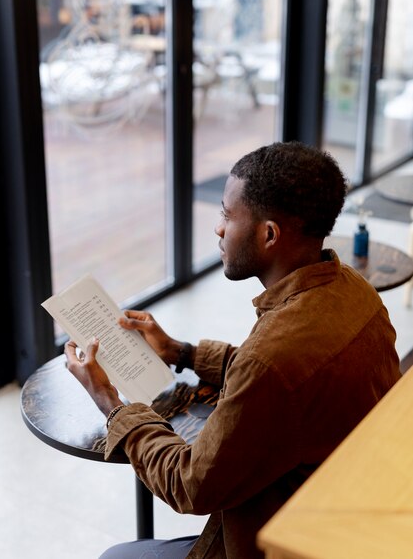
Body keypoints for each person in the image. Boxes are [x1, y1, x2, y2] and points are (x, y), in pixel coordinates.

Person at [64, 141, 401, 559]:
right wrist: (181, 352)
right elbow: (288, 378)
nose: (218, 228)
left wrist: (110, 402)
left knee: (115, 556)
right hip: (343, 514)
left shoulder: (272, 359)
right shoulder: (356, 291)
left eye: (226, 215)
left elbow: (191, 485)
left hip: (276, 539)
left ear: (269, 234)